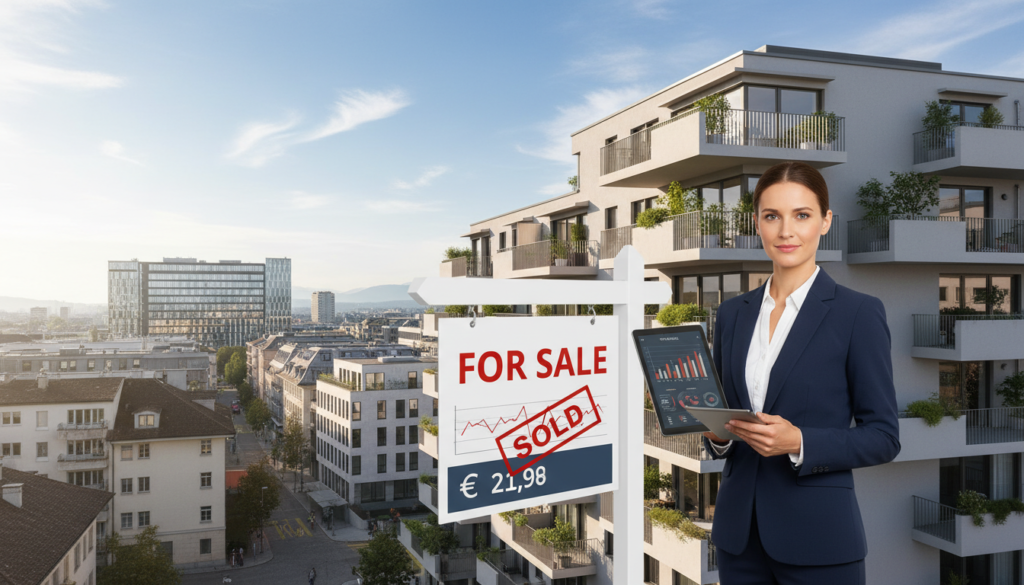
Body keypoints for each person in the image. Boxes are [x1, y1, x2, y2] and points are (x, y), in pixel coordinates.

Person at [700, 161, 900, 585]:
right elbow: (725, 414)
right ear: (758, 224)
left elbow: (883, 437)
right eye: (772, 216)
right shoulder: (733, 314)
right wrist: (718, 437)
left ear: (826, 222)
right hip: (739, 539)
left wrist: (800, 442)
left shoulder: (858, 313)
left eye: (802, 215)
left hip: (820, 542)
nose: (785, 231)